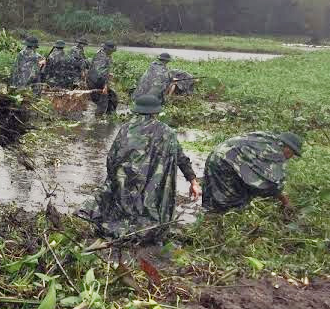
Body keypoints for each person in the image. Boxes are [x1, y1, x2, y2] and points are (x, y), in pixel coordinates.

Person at [79, 95, 201, 242]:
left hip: (125, 180)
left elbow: (112, 157)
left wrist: (113, 179)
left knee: (121, 205)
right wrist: (193, 181)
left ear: (137, 110)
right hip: (151, 186)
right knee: (147, 214)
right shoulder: (167, 132)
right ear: (156, 112)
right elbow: (181, 159)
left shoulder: (125, 128)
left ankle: (120, 222)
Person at [202, 132, 303, 213]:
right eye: (292, 153)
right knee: (227, 201)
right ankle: (214, 220)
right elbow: (272, 182)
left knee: (217, 191)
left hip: (218, 154)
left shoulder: (268, 138)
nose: (290, 157)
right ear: (287, 148)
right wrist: (285, 201)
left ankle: (210, 213)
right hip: (224, 162)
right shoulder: (276, 151)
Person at [88, 41, 118, 115]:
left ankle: (110, 115)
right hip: (96, 82)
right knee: (102, 102)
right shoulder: (101, 57)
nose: (112, 52)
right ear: (108, 49)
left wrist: (109, 74)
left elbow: (103, 70)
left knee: (112, 98)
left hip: (98, 81)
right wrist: (105, 86)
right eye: (112, 51)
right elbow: (100, 74)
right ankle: (98, 121)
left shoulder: (105, 55)